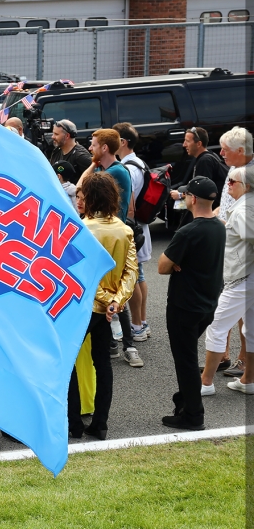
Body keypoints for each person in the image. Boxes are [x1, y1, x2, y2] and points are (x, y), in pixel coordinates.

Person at [66, 173, 137, 440]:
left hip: (83, 307)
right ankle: (101, 423)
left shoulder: (82, 229)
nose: (78, 201)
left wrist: (107, 301)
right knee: (103, 363)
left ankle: (73, 423)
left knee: (68, 362)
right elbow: (131, 272)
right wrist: (116, 302)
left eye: (82, 197)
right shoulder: (125, 229)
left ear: (91, 198)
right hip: (109, 312)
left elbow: (81, 275)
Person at [159, 177, 226, 431]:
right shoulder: (218, 226)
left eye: (187, 194)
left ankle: (193, 415)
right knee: (187, 357)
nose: (184, 197)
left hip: (184, 306)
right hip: (207, 305)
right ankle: (184, 399)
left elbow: (163, 266)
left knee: (185, 360)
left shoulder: (188, 232)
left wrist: (177, 261)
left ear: (193, 199)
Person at [81, 128, 142, 368]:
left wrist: (111, 300)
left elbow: (82, 186)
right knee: (119, 286)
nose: (90, 149)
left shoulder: (116, 172)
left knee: (120, 285)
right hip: (115, 237)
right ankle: (119, 343)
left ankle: (129, 343)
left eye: (94, 145)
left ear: (105, 148)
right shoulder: (107, 170)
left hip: (115, 238)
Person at [198, 167, 254, 397]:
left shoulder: (243, 211)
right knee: (250, 329)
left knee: (216, 327)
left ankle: (205, 383)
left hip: (242, 277)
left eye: (232, 182)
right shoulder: (242, 207)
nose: (228, 184)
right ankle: (248, 380)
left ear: (247, 186)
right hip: (245, 276)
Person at [215, 126, 254, 379]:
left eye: (225, 150)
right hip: (229, 247)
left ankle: (242, 361)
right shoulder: (234, 167)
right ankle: (224, 355)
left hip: (244, 255)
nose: (220, 153)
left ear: (241, 151)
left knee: (242, 311)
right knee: (228, 303)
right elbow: (227, 202)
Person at [113, 122, 152, 343]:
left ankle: (136, 326)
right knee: (140, 275)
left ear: (123, 142)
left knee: (133, 277)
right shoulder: (140, 163)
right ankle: (142, 322)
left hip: (130, 227)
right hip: (140, 226)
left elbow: (129, 203)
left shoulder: (127, 167)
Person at [48, 119, 91, 185]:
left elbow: (93, 181)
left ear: (67, 136)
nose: (52, 137)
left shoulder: (81, 156)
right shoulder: (57, 151)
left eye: (56, 134)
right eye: (53, 133)